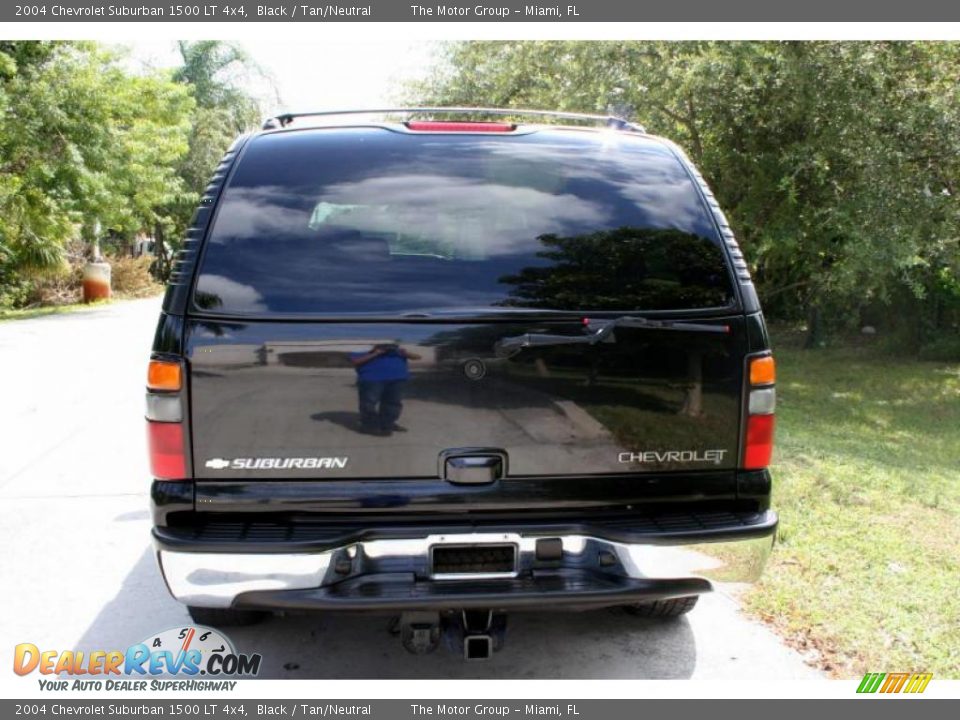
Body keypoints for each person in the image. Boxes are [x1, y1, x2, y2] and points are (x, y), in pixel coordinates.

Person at [348, 343, 421, 436]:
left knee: (393, 403)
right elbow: (356, 361)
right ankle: (369, 426)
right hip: (371, 380)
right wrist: (376, 353)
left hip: (397, 380)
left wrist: (405, 353)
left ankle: (387, 424)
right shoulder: (362, 349)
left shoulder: (397, 351)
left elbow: (417, 357)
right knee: (369, 403)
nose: (388, 347)